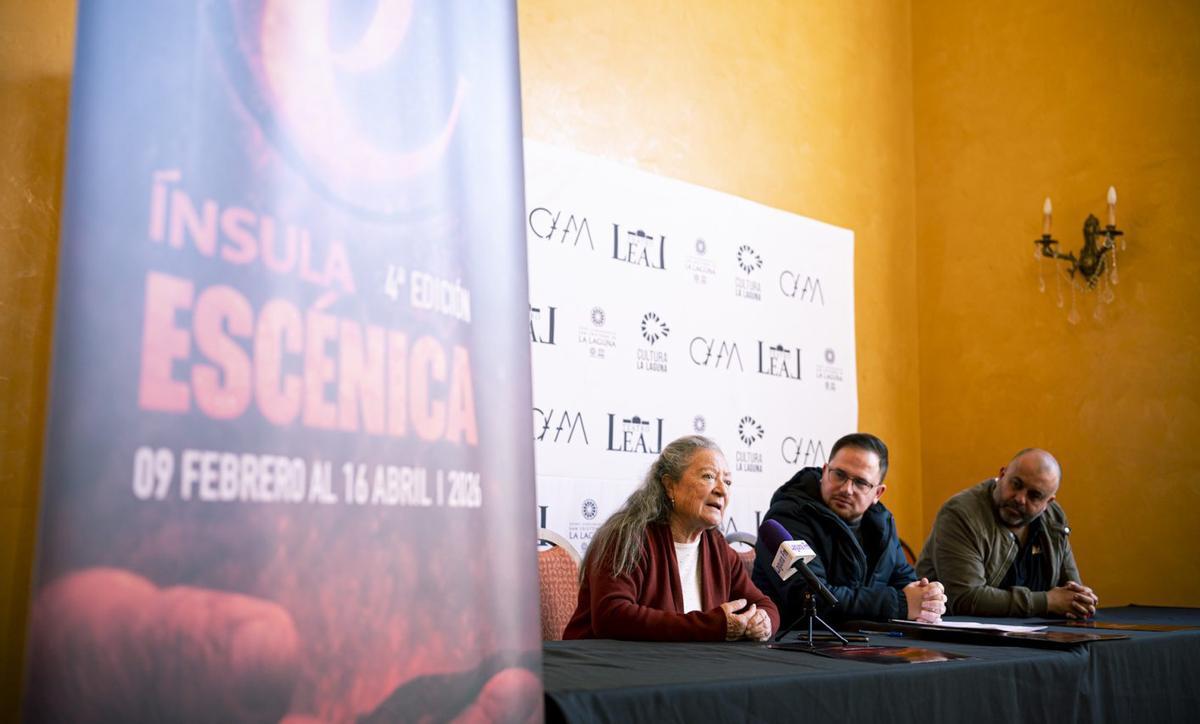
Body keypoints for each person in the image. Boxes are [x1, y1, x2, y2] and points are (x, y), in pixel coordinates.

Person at [562, 435, 780, 641]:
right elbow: (612, 616)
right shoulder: (627, 536)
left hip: (681, 663)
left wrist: (763, 620)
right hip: (602, 663)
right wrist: (711, 626)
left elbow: (764, 605)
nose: (722, 490)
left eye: (728, 482)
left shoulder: (717, 547)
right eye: (708, 476)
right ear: (670, 485)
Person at [752, 433, 946, 626]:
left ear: (878, 493)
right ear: (825, 472)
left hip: (861, 638)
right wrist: (900, 604)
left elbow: (905, 583)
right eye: (839, 475)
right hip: (797, 638)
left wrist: (927, 598)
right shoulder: (788, 516)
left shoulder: (882, 524)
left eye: (861, 482)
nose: (847, 489)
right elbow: (812, 598)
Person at [916, 448, 1098, 618]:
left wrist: (1081, 600)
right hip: (957, 634)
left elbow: (1070, 590)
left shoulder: (1053, 517)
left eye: (1034, 495)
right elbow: (964, 598)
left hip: (1035, 633)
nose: (1020, 499)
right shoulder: (961, 514)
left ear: (1048, 503)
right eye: (1016, 484)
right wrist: (1047, 602)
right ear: (1002, 475)